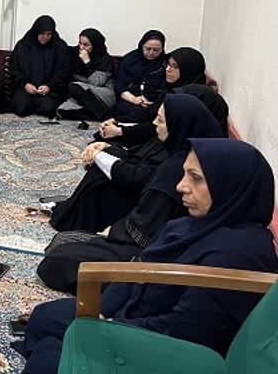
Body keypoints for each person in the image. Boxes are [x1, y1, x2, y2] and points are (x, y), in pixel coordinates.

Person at [18, 138, 278, 374]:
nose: (181, 186)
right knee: (45, 318)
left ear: (229, 184)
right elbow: (140, 266)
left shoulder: (237, 255)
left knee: (48, 354)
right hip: (134, 313)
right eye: (184, 174)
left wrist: (111, 326)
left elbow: (184, 329)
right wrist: (104, 310)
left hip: (165, 347)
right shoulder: (193, 224)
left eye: (195, 178)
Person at [42, 93, 226, 292]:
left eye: (161, 120)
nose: (154, 123)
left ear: (178, 125)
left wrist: (115, 232)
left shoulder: (176, 169)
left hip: (147, 251)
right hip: (146, 235)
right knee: (61, 243)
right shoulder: (179, 151)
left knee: (58, 257)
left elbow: (147, 226)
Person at [97, 47, 211, 143]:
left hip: (170, 142)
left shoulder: (188, 97)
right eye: (168, 64)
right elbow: (151, 113)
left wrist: (120, 131)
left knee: (110, 142)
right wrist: (116, 120)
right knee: (105, 133)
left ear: (188, 70)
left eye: (175, 66)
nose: (168, 70)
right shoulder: (170, 87)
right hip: (153, 131)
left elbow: (157, 126)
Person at [8, 15, 70, 118]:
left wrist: (49, 86)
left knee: (48, 108)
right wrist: (25, 84)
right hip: (25, 89)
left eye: (49, 34)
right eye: (42, 34)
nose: (45, 37)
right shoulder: (23, 45)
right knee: (21, 107)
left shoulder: (59, 47)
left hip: (49, 91)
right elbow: (14, 68)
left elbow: (64, 71)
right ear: (36, 31)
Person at [56, 28, 114, 121]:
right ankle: (98, 113)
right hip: (82, 93)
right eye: (80, 43)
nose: (81, 47)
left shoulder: (104, 59)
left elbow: (96, 82)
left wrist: (87, 62)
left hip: (101, 94)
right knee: (62, 111)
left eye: (86, 45)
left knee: (74, 87)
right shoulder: (75, 53)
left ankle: (102, 115)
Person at [114, 30, 166, 123]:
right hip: (130, 99)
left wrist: (153, 101)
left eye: (156, 50)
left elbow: (166, 88)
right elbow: (119, 86)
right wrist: (134, 99)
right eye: (148, 48)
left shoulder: (165, 64)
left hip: (153, 102)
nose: (151, 53)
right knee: (124, 109)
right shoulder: (130, 60)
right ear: (141, 46)